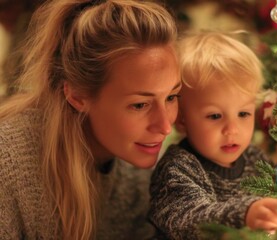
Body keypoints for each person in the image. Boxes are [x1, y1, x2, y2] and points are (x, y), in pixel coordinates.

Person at [0, 0, 181, 239]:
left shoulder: (139, 174)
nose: (165, 126)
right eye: (139, 104)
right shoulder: (8, 164)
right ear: (76, 96)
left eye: (171, 96)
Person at [149, 31, 277, 240]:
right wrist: (244, 214)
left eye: (243, 113)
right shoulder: (178, 167)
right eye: (215, 116)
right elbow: (190, 220)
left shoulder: (254, 158)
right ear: (181, 120)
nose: (232, 129)